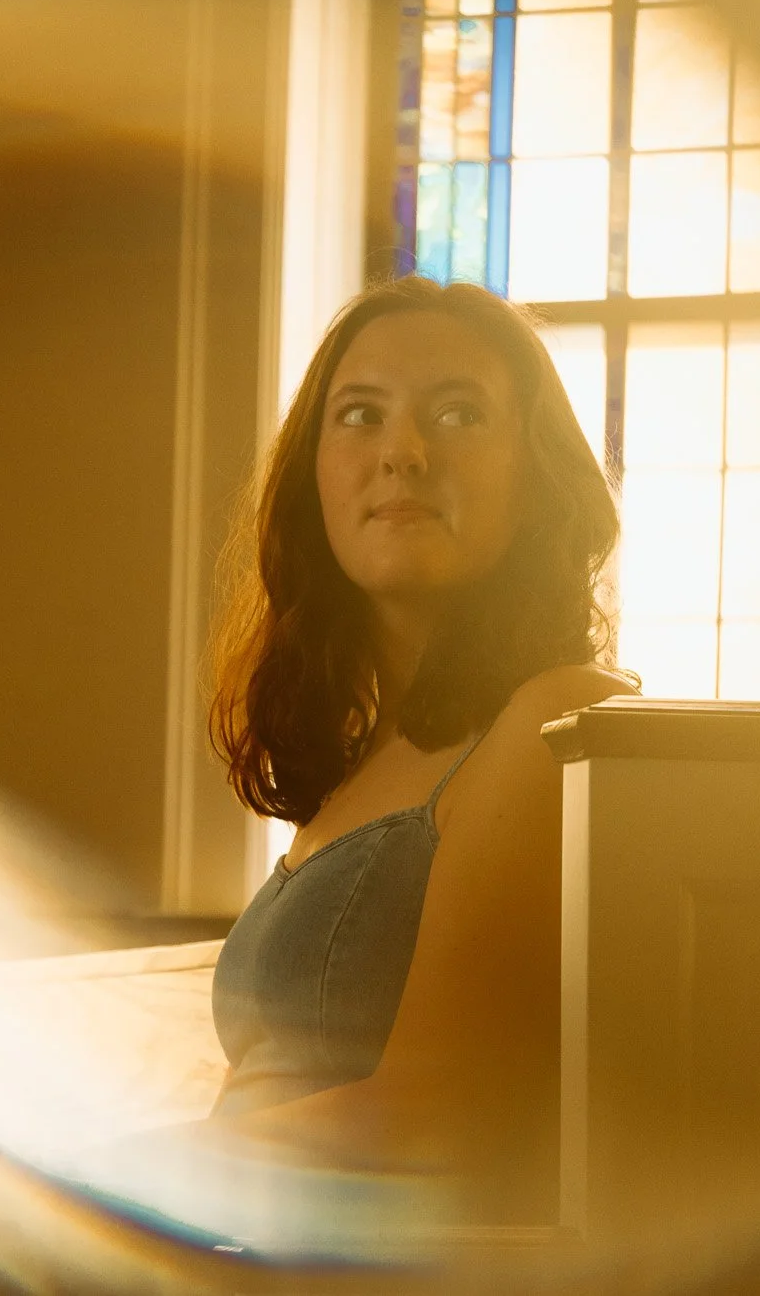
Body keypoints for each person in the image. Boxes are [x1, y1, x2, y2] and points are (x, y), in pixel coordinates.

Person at [200, 275, 633, 1219]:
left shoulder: (562, 715)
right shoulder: (360, 759)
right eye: (360, 414)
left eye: (458, 412)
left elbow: (440, 1113)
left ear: (535, 476)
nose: (403, 451)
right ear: (314, 478)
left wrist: (104, 1175)